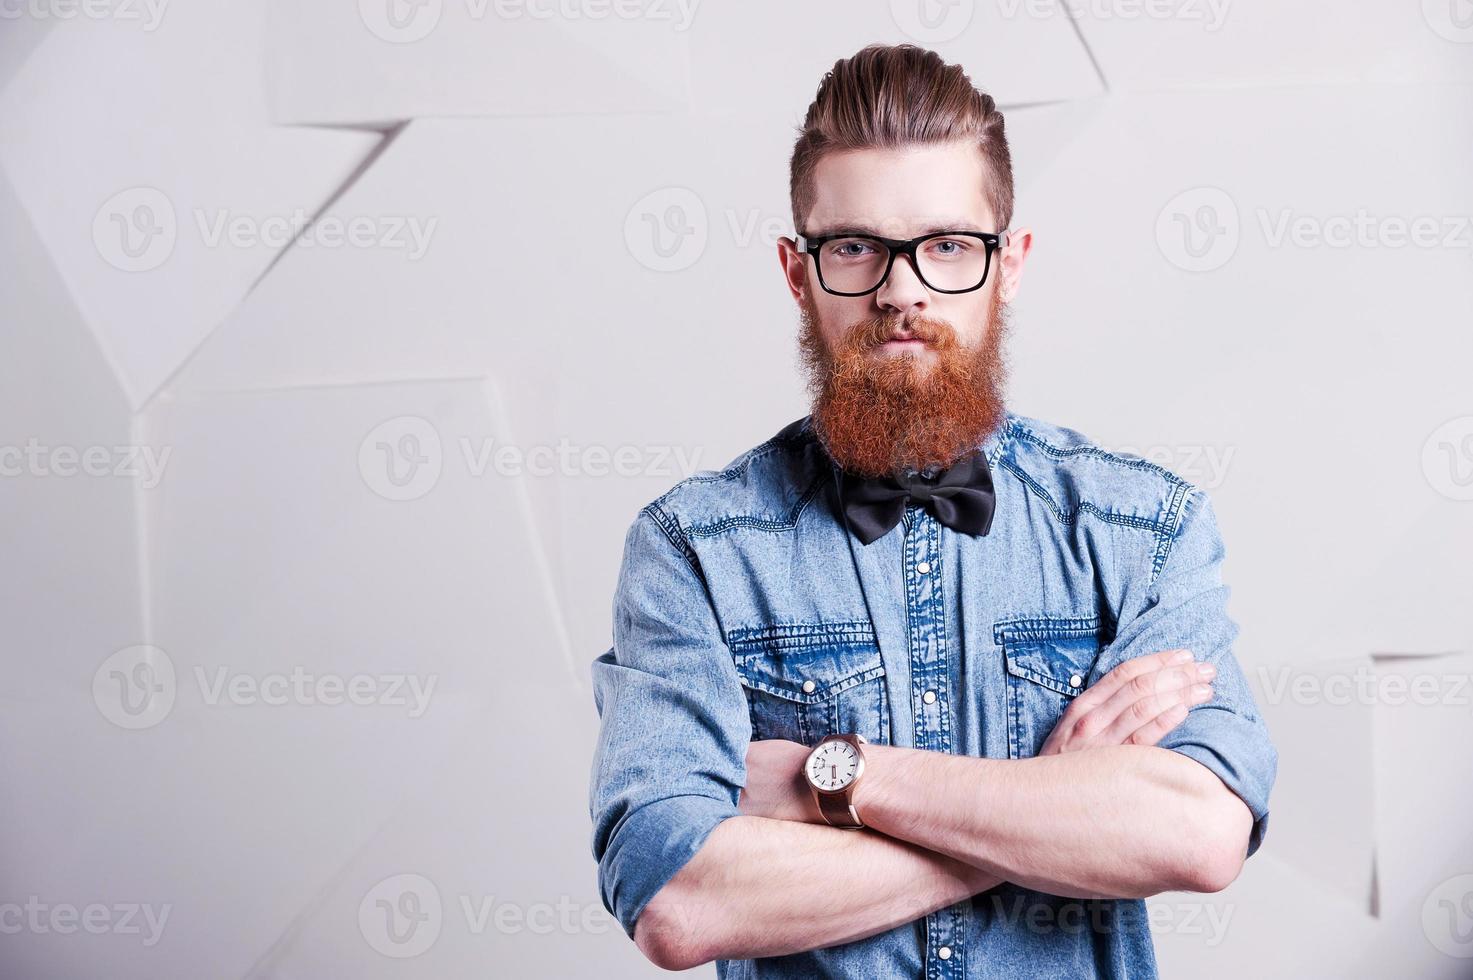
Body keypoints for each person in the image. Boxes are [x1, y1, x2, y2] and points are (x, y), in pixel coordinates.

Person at [588, 42, 1276, 978]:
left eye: (948, 245)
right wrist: (1055, 809)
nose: (900, 290)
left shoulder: (1141, 529)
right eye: (855, 247)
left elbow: (1197, 834)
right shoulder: (693, 549)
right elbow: (676, 899)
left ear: (1009, 266)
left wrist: (834, 779)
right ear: (799, 274)